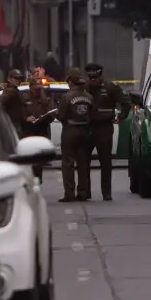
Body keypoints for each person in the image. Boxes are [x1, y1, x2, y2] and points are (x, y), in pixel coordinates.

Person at [84, 62, 132, 201]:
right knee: (84, 161)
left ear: (100, 76)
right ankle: (85, 191)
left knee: (105, 161)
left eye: (95, 78)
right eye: (90, 78)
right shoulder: (84, 88)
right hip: (88, 126)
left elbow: (126, 102)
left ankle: (106, 192)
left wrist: (120, 117)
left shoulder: (110, 87)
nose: (93, 80)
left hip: (104, 127)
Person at [57, 67, 94, 202]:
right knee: (83, 163)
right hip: (85, 130)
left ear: (70, 82)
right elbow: (92, 114)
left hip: (70, 130)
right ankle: (83, 192)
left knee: (68, 163)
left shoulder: (66, 97)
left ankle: (69, 193)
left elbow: (61, 115)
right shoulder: (89, 97)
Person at [22, 77, 56, 180]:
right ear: (30, 87)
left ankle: (37, 178)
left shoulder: (45, 99)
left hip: (41, 130)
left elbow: (52, 114)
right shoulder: (24, 98)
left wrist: (44, 117)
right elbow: (18, 113)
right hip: (28, 131)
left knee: (38, 160)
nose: (37, 90)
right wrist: (26, 118)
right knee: (28, 158)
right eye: (35, 88)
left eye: (39, 88)